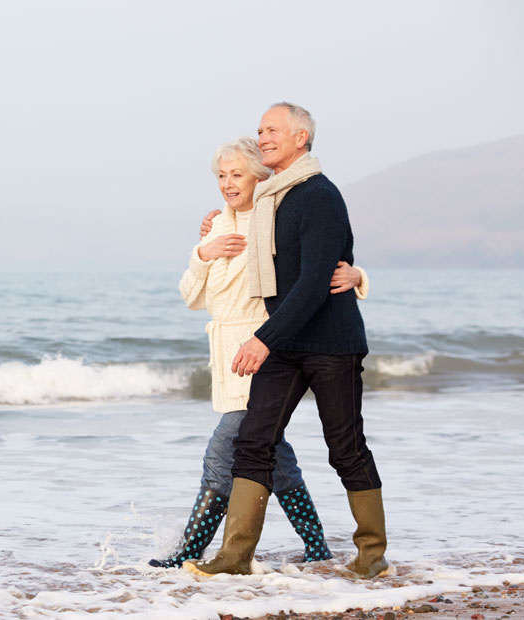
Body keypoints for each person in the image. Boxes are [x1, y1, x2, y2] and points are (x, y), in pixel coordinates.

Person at [186, 103, 389, 579]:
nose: (263, 136)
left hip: (330, 342)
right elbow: (243, 209)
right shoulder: (270, 199)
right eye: (259, 129)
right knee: (254, 443)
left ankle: (371, 556)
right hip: (285, 342)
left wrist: (263, 339)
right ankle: (234, 559)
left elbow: (315, 281)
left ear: (301, 138)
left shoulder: (319, 195)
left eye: (272, 129)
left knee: (345, 448)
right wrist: (209, 232)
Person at [148, 137, 368, 569]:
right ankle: (317, 546)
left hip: (263, 351)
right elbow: (192, 297)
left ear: (260, 176)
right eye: (222, 176)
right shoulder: (216, 227)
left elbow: (315, 270)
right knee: (272, 455)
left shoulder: (274, 221)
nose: (228, 184)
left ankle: (188, 554)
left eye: (237, 175)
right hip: (227, 356)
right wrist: (202, 253)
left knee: (222, 452)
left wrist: (358, 274)